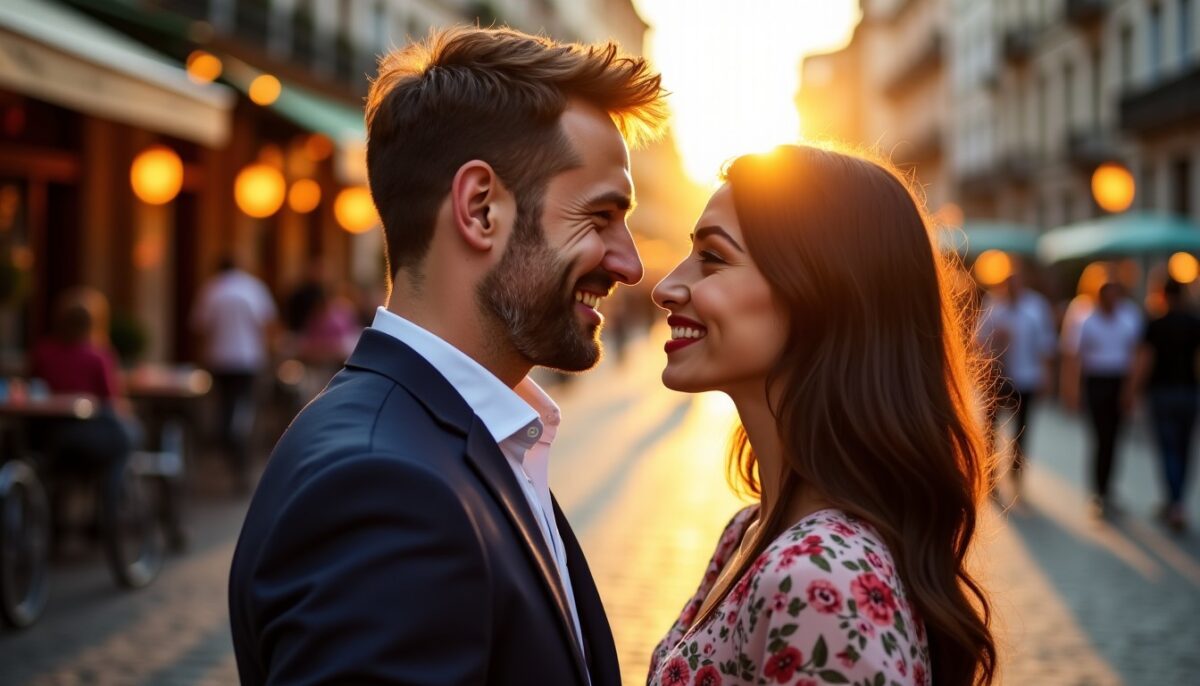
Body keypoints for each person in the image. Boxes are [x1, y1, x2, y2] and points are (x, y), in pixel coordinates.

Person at [228, 27, 666, 685]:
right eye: (601, 216)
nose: (630, 264)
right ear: (481, 208)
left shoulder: (449, 443)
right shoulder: (386, 490)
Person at [647, 146, 996, 686]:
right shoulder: (751, 529)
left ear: (821, 292)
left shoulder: (822, 582)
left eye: (713, 258)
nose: (665, 287)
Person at [190, 255, 278, 491]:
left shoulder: (211, 288)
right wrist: (269, 355)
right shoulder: (253, 287)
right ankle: (239, 455)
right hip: (249, 359)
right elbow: (267, 325)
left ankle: (229, 448)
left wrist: (202, 358)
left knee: (225, 407)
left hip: (219, 358)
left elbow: (201, 328)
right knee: (244, 408)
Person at [1125, 276, 1200, 531]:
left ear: (1163, 295)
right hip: (1189, 393)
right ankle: (1176, 502)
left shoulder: (1155, 324)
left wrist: (1131, 391)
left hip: (1162, 394)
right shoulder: (1194, 323)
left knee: (1168, 449)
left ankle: (1175, 503)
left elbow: (1145, 360)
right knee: (1184, 449)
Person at [1061, 281, 1142, 518]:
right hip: (1096, 381)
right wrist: (1072, 390)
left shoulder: (1129, 317)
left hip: (1119, 380)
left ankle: (1108, 489)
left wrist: (1131, 389)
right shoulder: (1087, 319)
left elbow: (1137, 353)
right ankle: (1098, 490)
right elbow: (1075, 356)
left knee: (1114, 439)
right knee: (1099, 437)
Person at [976, 270, 1056, 496]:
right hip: (997, 376)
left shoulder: (1036, 307)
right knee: (990, 427)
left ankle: (1016, 471)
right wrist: (995, 343)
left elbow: (1046, 343)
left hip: (1027, 376)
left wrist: (1046, 375)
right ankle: (990, 474)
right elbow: (979, 340)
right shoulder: (993, 304)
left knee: (1022, 428)